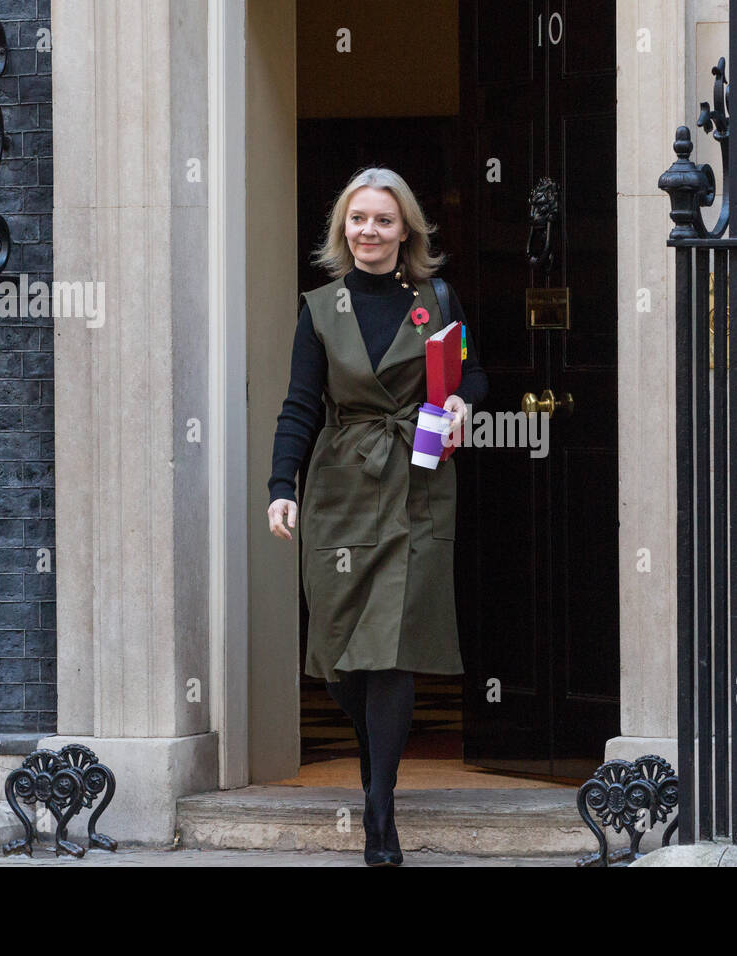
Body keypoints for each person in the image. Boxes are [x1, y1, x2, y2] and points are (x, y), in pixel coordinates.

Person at [267, 167, 488, 866]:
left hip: (417, 485)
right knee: (340, 657)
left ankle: (379, 813)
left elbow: (470, 373)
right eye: (358, 219)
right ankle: (373, 770)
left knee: (391, 651)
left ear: (405, 231)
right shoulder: (319, 308)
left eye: (383, 220)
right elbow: (300, 404)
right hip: (338, 488)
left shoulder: (436, 298)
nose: (369, 230)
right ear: (343, 230)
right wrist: (282, 485)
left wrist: (461, 403)